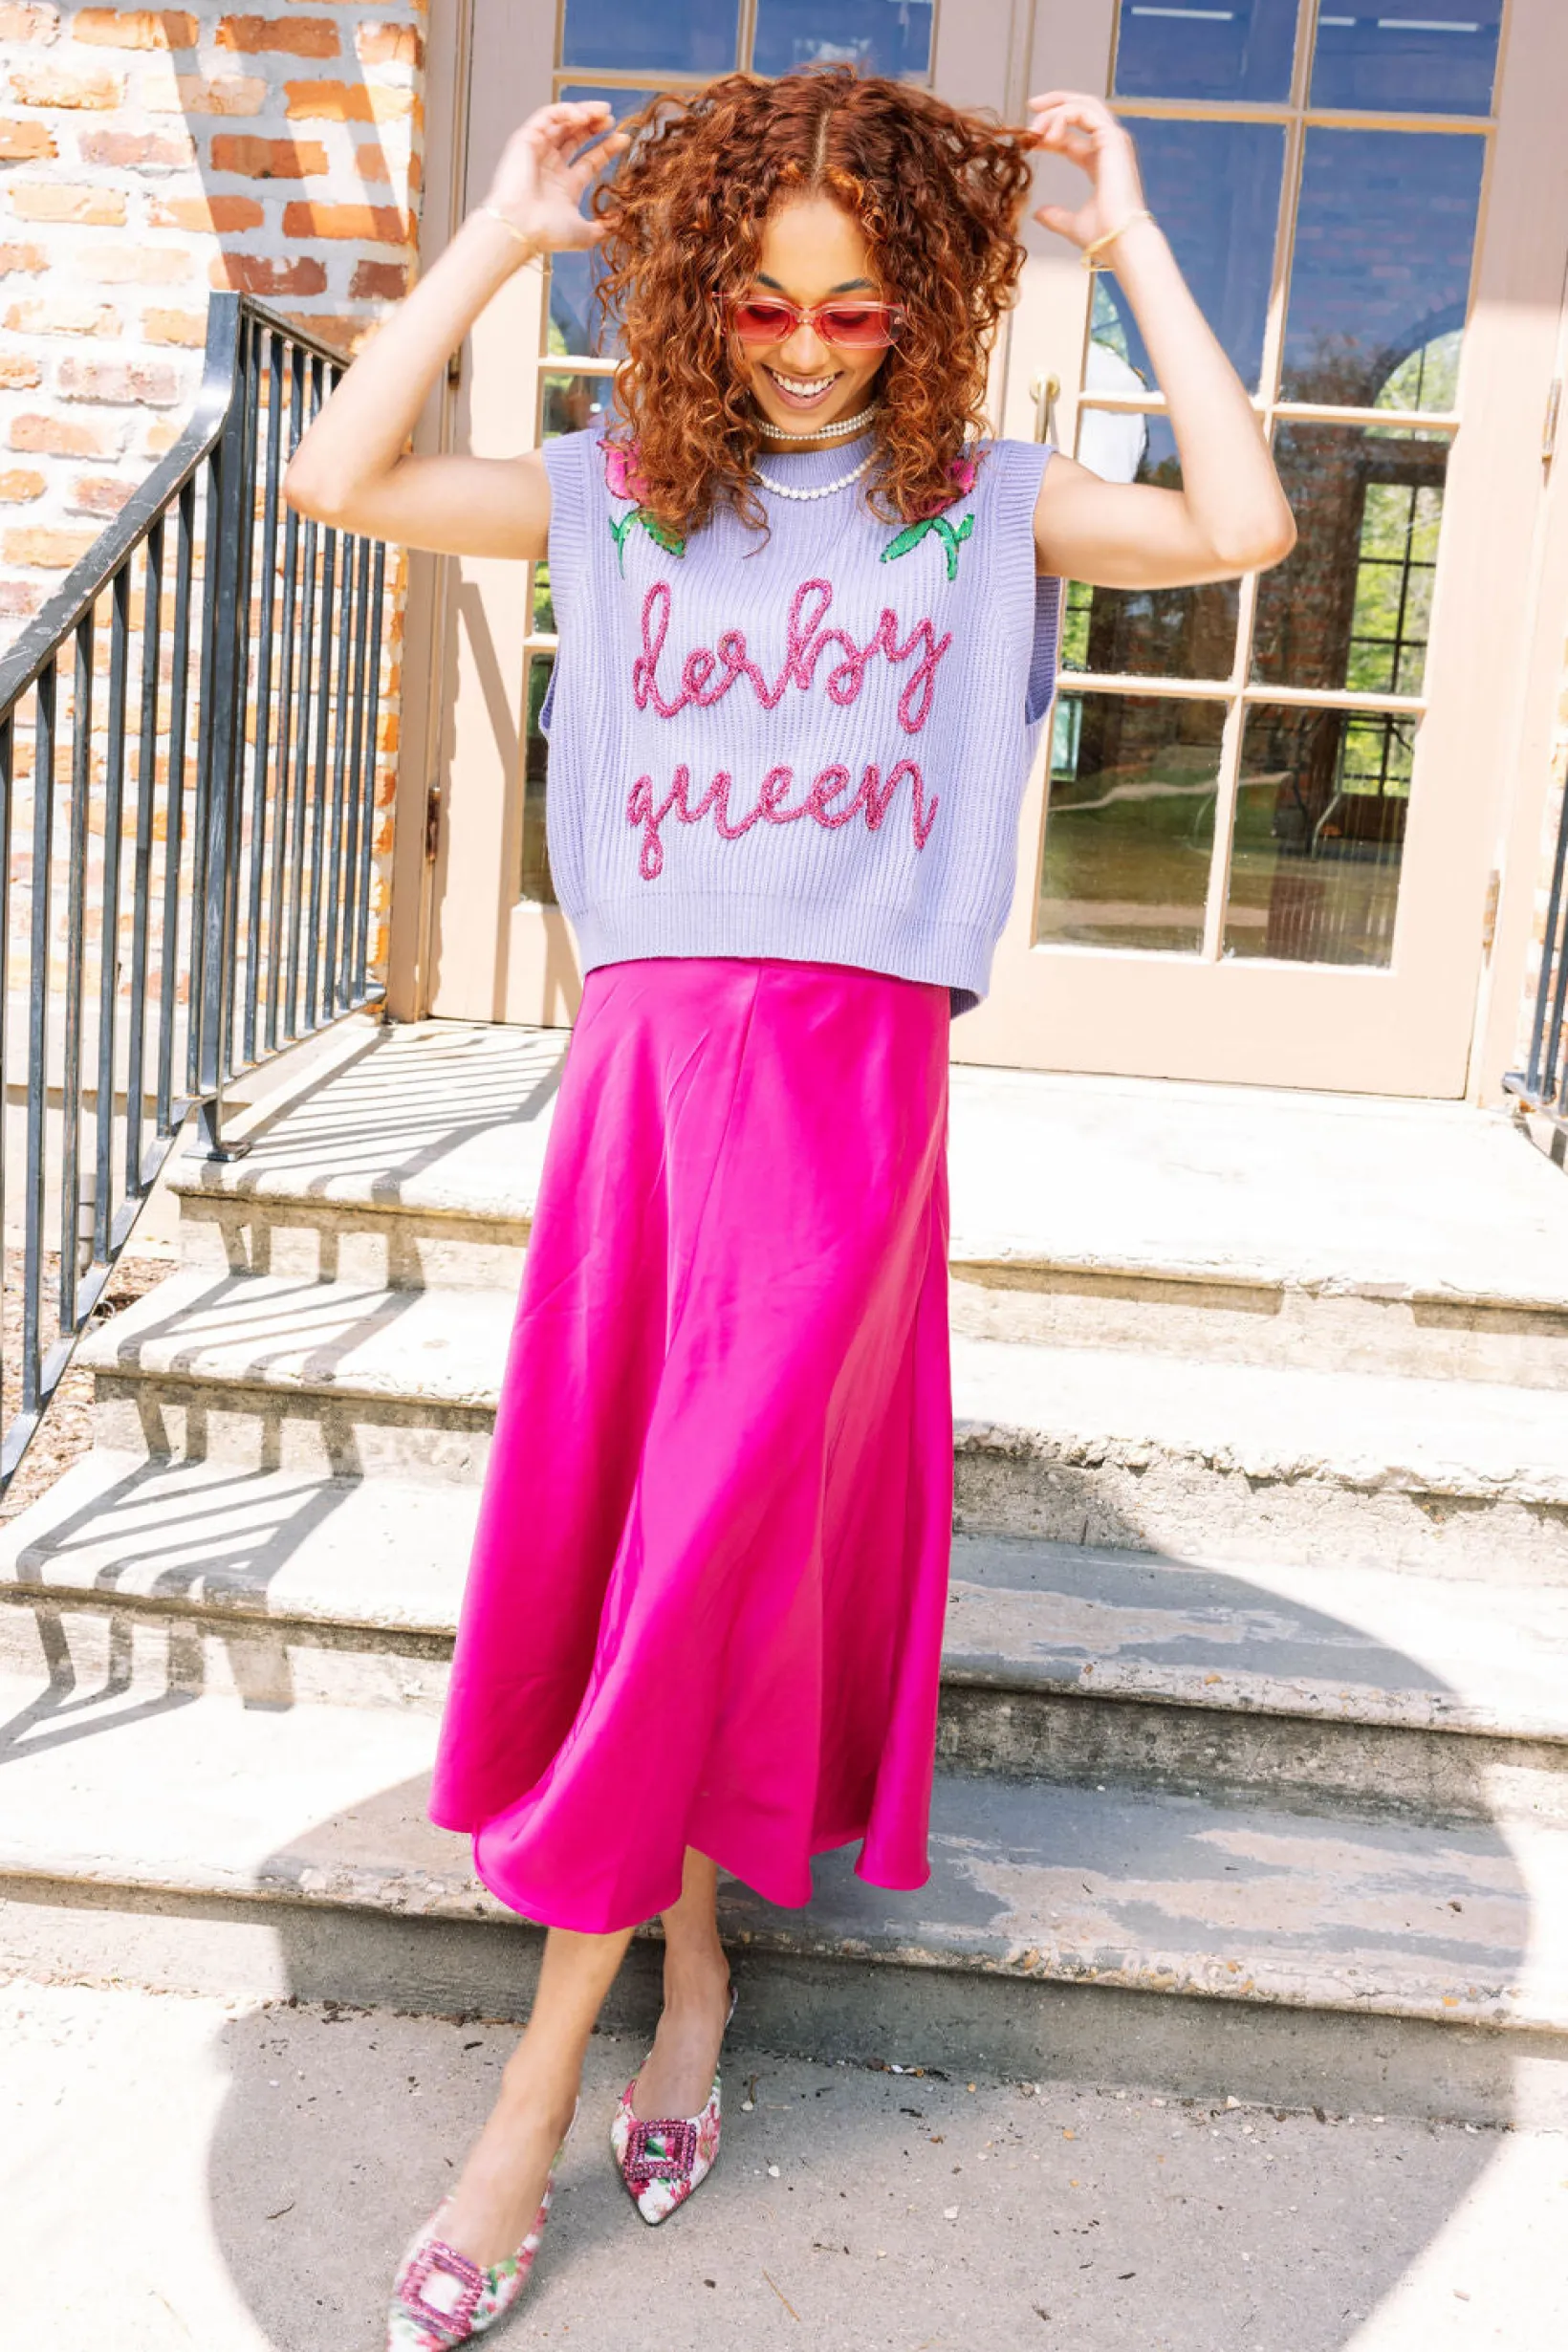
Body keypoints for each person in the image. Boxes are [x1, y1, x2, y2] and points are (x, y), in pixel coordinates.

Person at [283, 63, 1294, 2349]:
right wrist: (498, 242)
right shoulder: (618, 492)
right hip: (647, 1074)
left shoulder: (983, 509)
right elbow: (337, 475)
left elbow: (1242, 522)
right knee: (661, 1533)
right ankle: (697, 1982)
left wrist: (1130, 242)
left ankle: (523, 2111)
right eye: (761, 302)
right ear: (695, 299)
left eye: (856, 307)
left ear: (921, 303)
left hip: (843, 1088)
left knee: (716, 1521)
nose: (811, 348)